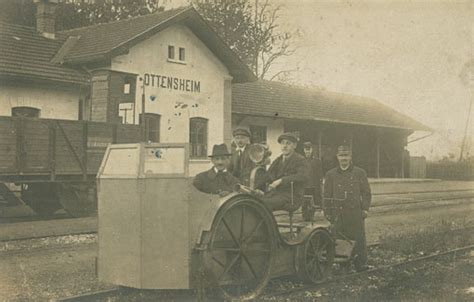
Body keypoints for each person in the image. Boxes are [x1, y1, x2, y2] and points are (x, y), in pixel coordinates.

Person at [324, 145, 372, 272]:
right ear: (337, 157)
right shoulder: (330, 174)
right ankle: (343, 265)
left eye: (346, 156)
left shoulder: (360, 173)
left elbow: (366, 193)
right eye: (341, 156)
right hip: (337, 212)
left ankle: (360, 264)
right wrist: (327, 212)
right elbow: (326, 195)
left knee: (358, 238)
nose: (343, 158)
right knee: (340, 238)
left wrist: (365, 209)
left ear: (350, 157)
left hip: (355, 212)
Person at [260, 133, 309, 211]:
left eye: (288, 143)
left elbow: (303, 176)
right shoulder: (278, 160)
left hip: (292, 196)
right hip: (276, 194)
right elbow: (268, 175)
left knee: (264, 203)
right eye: (282, 143)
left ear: (295, 146)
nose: (284, 146)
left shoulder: (300, 160)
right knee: (255, 201)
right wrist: (259, 188)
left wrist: (281, 180)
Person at [302, 141, 324, 221]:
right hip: (304, 186)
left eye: (309, 149)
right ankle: (304, 216)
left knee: (312, 202)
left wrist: (319, 184)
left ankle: (311, 216)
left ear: (312, 150)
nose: (307, 151)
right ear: (304, 150)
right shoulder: (301, 161)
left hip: (313, 185)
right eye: (306, 149)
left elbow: (320, 174)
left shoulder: (317, 161)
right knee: (304, 201)